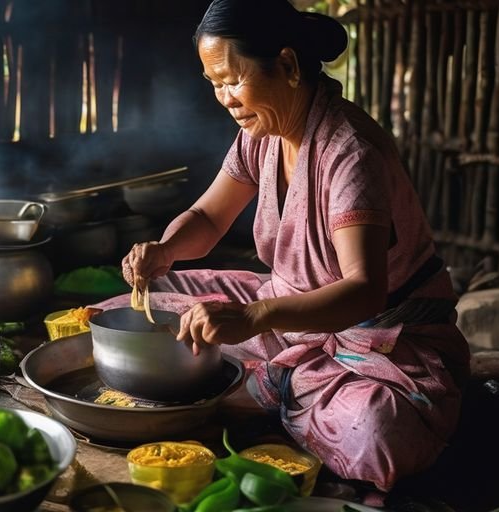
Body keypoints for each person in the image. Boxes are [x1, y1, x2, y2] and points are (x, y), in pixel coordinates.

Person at [115, 0, 470, 492]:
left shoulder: (349, 155)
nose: (225, 99)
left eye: (233, 80)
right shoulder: (262, 131)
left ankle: (276, 383)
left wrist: (254, 319)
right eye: (214, 84)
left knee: (374, 432)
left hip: (378, 343)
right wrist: (165, 248)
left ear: (287, 65)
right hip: (285, 315)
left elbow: (365, 292)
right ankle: (275, 379)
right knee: (141, 299)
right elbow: (208, 216)